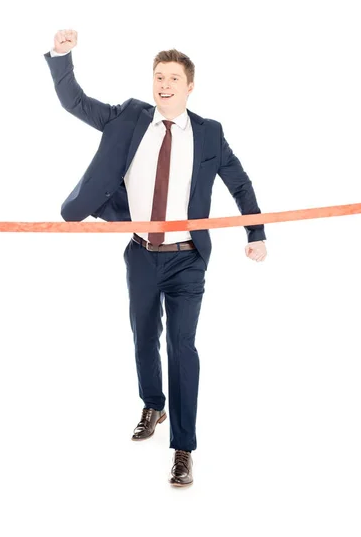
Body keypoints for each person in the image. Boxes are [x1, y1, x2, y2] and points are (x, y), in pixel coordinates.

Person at [44, 29, 267, 487]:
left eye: (173, 78)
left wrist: (255, 231)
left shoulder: (209, 134)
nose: (164, 84)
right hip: (142, 254)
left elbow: (239, 183)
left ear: (189, 87)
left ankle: (183, 447)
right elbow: (76, 103)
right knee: (144, 336)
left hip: (187, 259)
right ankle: (153, 405)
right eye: (158, 76)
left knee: (181, 347)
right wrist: (62, 59)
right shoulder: (128, 118)